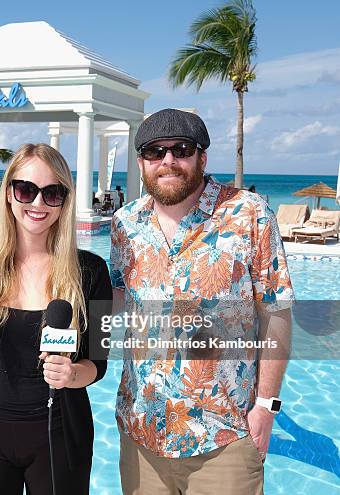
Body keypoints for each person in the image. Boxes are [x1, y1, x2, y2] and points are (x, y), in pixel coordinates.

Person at [111, 109, 293, 495]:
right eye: (154, 152)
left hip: (223, 438)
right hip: (141, 434)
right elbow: (118, 305)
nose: (168, 161)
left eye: (181, 149)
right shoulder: (124, 223)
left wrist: (266, 405)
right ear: (141, 162)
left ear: (202, 157)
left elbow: (276, 314)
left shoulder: (249, 215)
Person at [0, 143, 112, 495]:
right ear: (8, 193)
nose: (37, 204)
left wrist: (71, 375)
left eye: (52, 193)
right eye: (26, 189)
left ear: (65, 200)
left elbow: (99, 364)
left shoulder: (92, 271)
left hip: (59, 435)